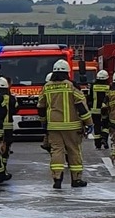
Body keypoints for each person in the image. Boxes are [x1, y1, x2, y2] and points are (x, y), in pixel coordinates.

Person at [37, 59, 89, 189]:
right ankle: (76, 179)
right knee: (74, 151)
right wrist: (89, 122)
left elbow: (41, 107)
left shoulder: (47, 87)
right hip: (72, 126)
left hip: (53, 126)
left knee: (56, 151)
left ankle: (57, 179)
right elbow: (81, 106)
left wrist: (44, 123)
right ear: (67, 73)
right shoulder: (72, 86)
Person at [0, 77, 17, 176]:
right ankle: (3, 166)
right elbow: (16, 109)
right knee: (6, 147)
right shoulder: (11, 98)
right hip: (8, 127)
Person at [90, 70, 110, 150]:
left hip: (95, 110)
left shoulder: (93, 86)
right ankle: (104, 139)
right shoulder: (109, 87)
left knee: (97, 126)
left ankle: (97, 144)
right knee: (106, 125)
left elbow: (89, 97)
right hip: (105, 110)